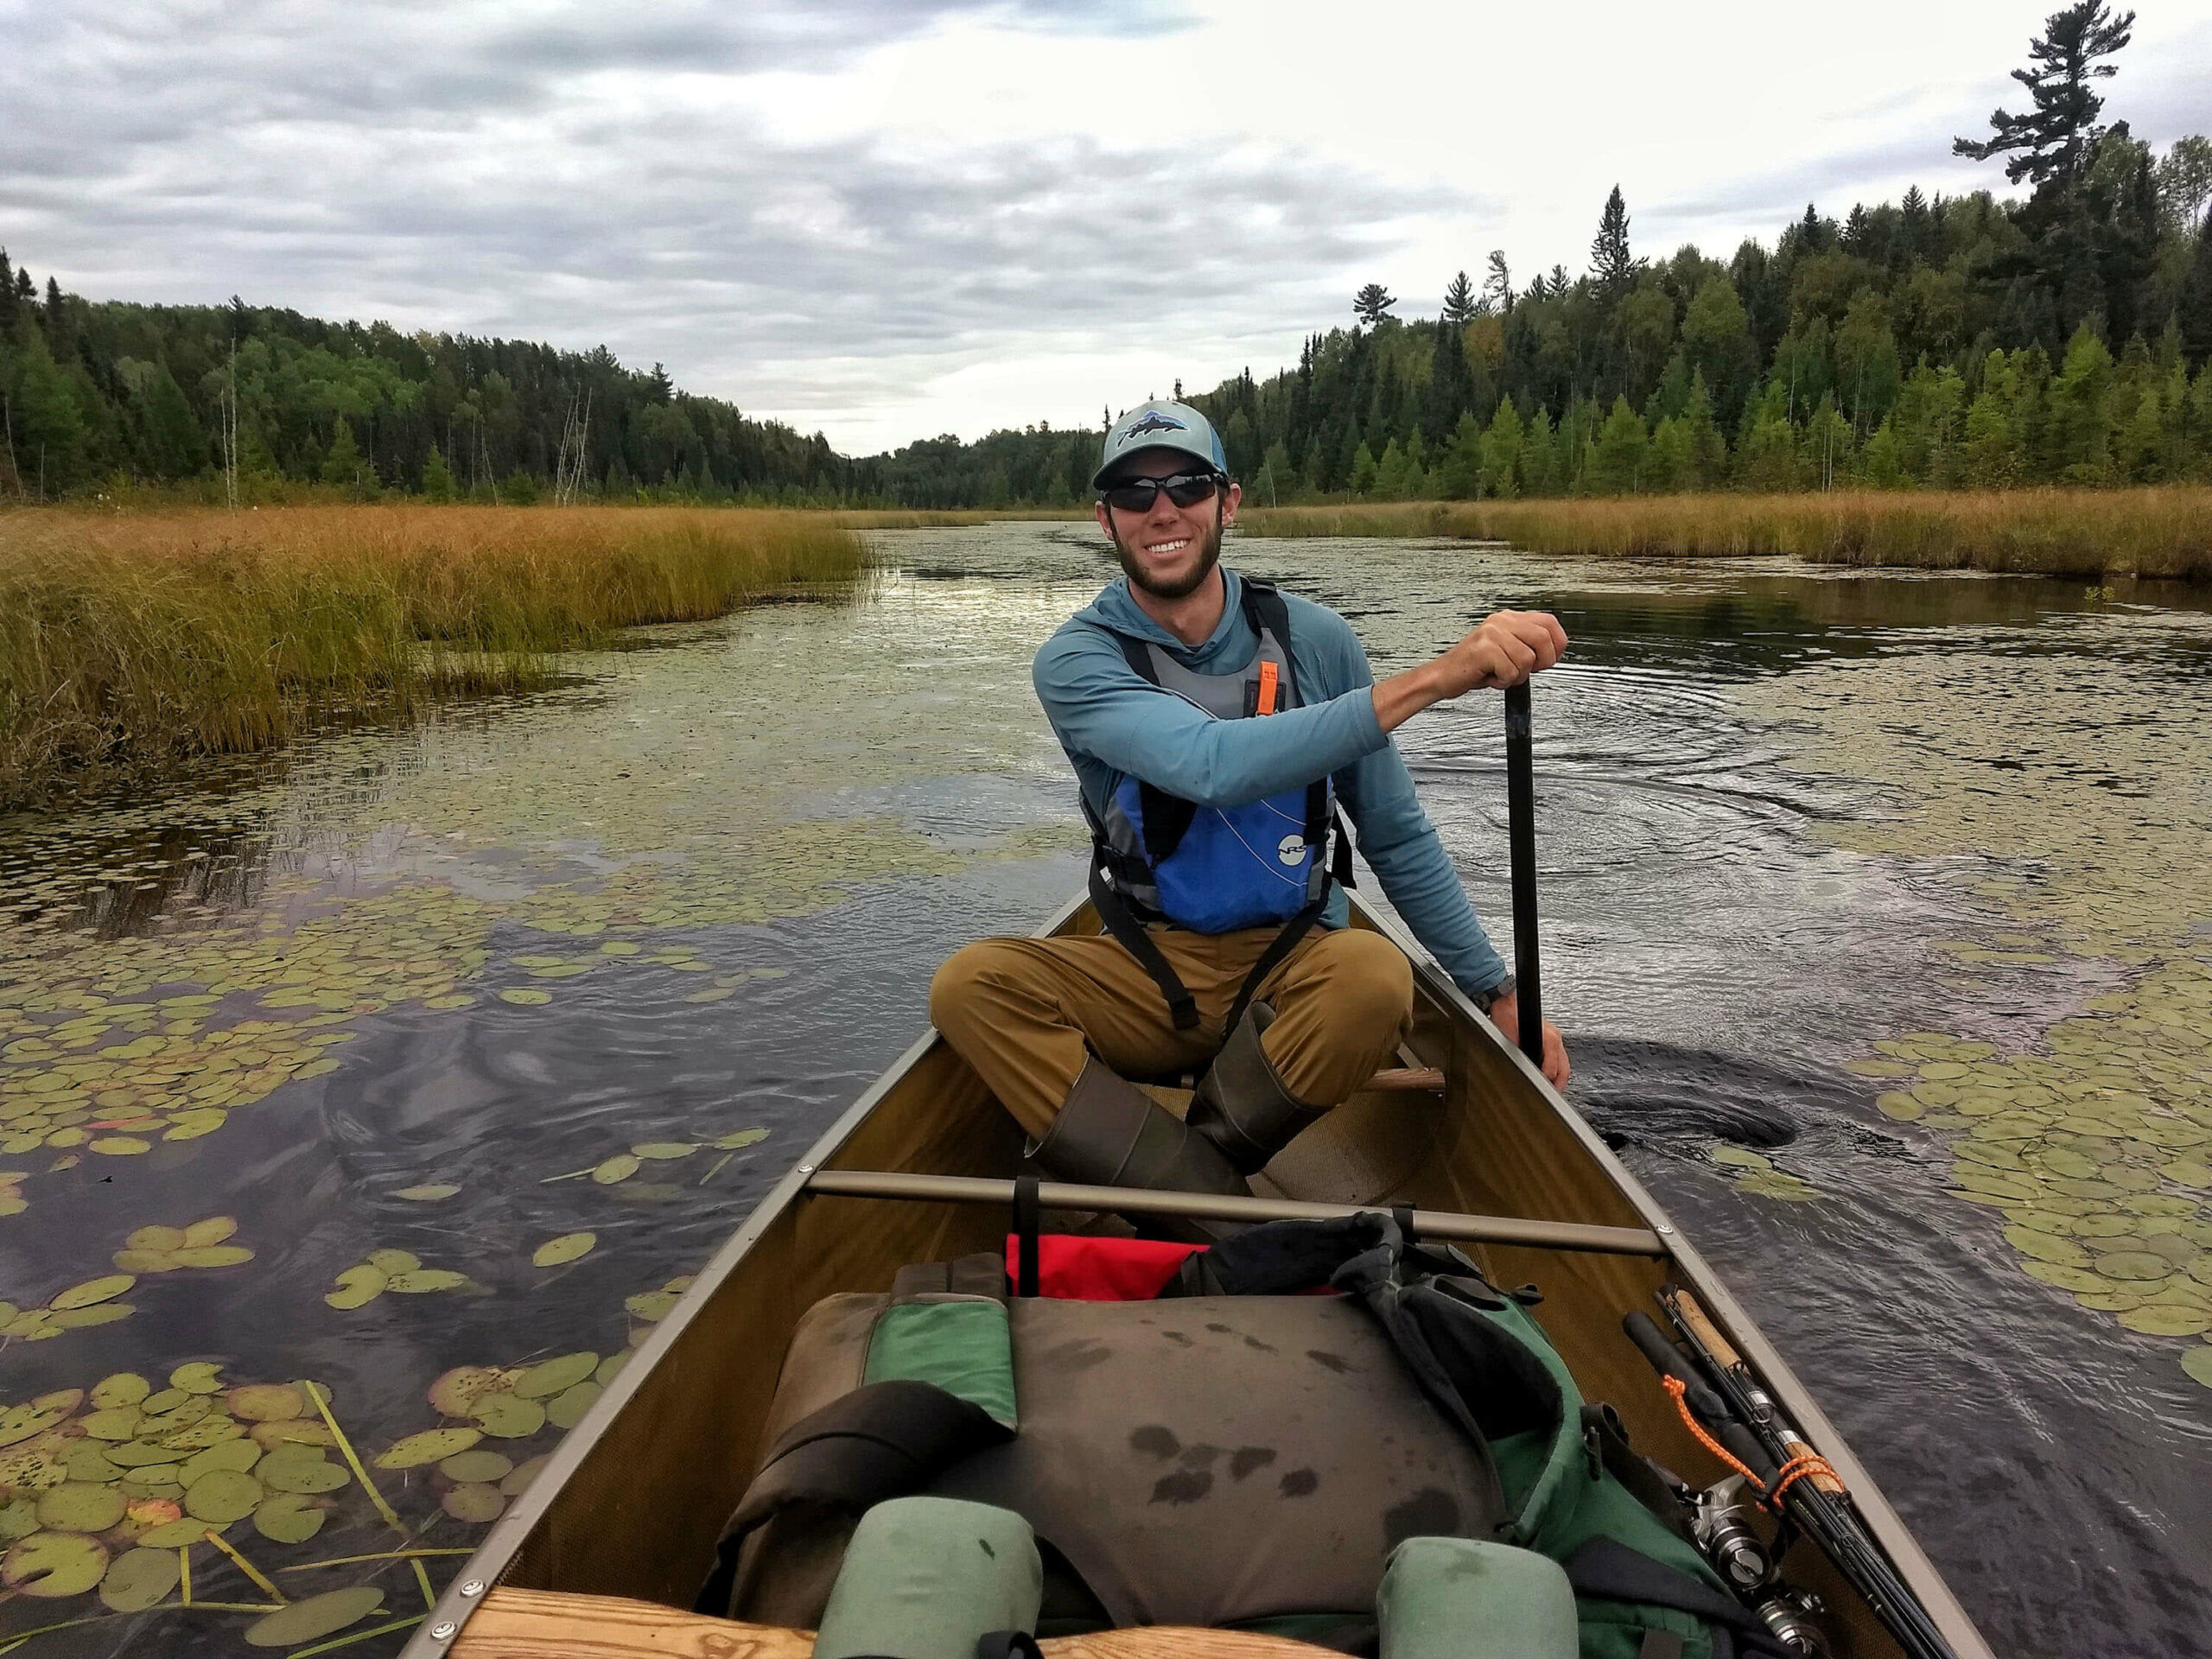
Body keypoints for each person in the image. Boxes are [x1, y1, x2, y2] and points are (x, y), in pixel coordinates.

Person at [930, 399, 1568, 1217]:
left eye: (1186, 485)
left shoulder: (1316, 639)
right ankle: (1209, 1200)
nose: (1162, 509)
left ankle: (1185, 1174)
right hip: (1147, 967)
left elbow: (1395, 831)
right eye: (1134, 493)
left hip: (1294, 956)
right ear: (1105, 519)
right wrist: (1435, 678)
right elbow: (1209, 763)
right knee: (970, 986)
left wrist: (1496, 991)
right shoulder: (1076, 658)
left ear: (1227, 502)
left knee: (1378, 982)